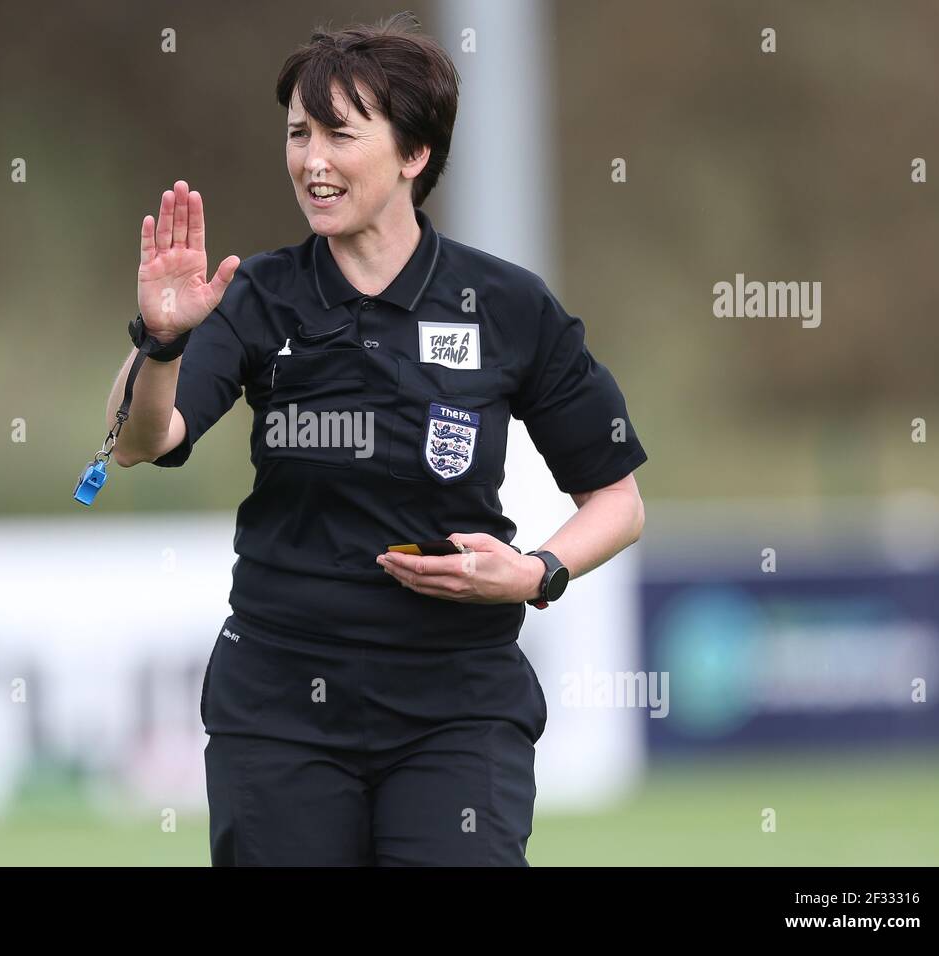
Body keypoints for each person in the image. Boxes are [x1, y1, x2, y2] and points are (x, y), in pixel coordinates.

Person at [103, 12, 646, 866]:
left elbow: (617, 499)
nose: (311, 161)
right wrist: (159, 339)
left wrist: (536, 574)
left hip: (457, 703)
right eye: (298, 134)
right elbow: (142, 438)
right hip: (279, 703)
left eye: (339, 135)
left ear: (413, 154)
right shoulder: (256, 296)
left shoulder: (506, 305)